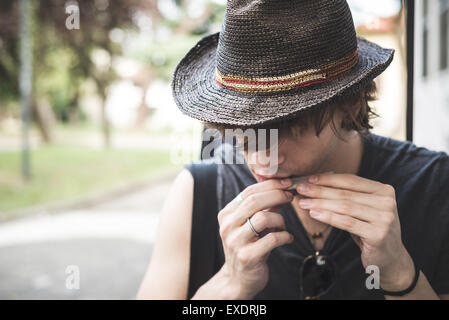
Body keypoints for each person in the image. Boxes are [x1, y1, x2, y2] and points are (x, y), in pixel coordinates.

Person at [137, 0, 449, 300]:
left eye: (289, 128)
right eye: (244, 134)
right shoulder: (198, 193)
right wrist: (229, 285)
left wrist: (399, 275)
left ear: (350, 103)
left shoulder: (433, 185)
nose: (262, 160)